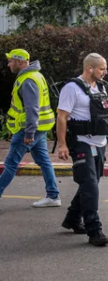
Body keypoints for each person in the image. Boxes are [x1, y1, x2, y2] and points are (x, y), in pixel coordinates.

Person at [56, 53, 108, 246]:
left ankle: (72, 218)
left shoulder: (101, 87)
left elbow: (102, 111)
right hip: (81, 142)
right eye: (102, 68)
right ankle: (94, 231)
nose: (105, 72)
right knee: (90, 185)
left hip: (100, 143)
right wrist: (62, 145)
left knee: (92, 182)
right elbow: (62, 117)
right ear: (90, 69)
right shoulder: (72, 88)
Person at [0, 49, 60, 207]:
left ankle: (53, 196)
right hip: (40, 127)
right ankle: (53, 196)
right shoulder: (36, 75)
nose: (8, 64)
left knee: (11, 163)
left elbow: (32, 109)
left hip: (29, 129)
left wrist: (29, 133)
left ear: (19, 62)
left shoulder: (28, 80)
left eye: (10, 61)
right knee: (44, 160)